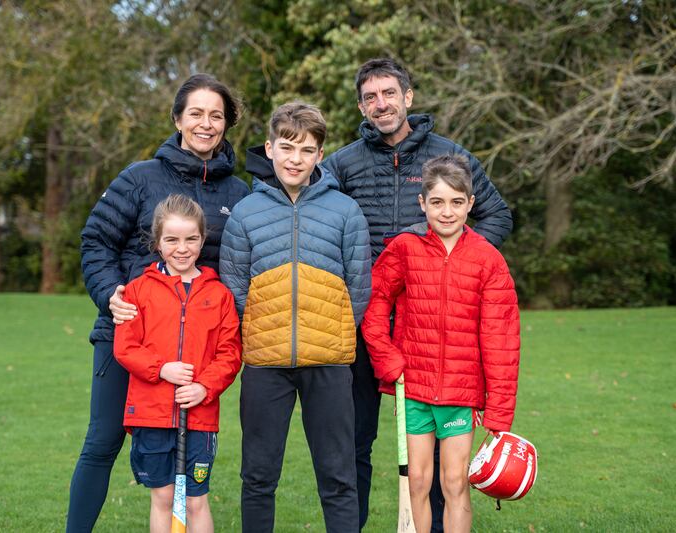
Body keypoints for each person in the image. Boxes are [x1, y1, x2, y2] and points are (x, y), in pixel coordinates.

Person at [321, 57, 513, 530]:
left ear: (408, 97)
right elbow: (317, 224)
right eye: (370, 97)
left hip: (435, 328)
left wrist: (447, 268)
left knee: (444, 463)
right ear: (361, 106)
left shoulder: (451, 156)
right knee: (355, 441)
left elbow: (498, 217)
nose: (380, 103)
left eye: (389, 93)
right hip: (365, 322)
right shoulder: (341, 164)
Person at [68, 74, 249, 532]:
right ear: (177, 119)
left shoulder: (239, 194)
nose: (206, 124)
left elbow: (237, 272)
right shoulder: (139, 177)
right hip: (130, 336)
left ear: (227, 123)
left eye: (216, 115)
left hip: (195, 356)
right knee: (104, 440)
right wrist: (112, 295)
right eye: (196, 114)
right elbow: (96, 241)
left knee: (192, 471)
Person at [219, 102, 371, 533]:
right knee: (258, 477)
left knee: (339, 479)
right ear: (269, 149)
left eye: (306, 150)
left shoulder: (345, 212)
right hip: (266, 366)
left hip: (329, 363)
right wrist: (269, 329)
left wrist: (329, 331)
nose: (295, 159)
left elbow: (359, 287)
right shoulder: (247, 212)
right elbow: (235, 287)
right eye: (287, 148)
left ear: (320, 155)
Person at [361, 154, 520, 533]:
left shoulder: (488, 260)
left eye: (455, 202)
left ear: (470, 203)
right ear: (422, 203)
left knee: (453, 482)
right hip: (413, 386)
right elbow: (374, 302)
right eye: (436, 202)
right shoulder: (405, 248)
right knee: (417, 480)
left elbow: (502, 340)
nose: (446, 212)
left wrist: (498, 413)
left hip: (459, 392)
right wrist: (386, 357)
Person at [114, 194, 242, 533]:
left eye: (191, 239)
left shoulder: (220, 295)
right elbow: (125, 347)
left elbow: (229, 353)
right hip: (152, 414)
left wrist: (205, 386)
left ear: (203, 240)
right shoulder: (138, 291)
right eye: (171, 239)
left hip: (199, 418)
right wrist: (161, 369)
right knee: (164, 497)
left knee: (196, 501)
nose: (181, 248)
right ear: (157, 242)